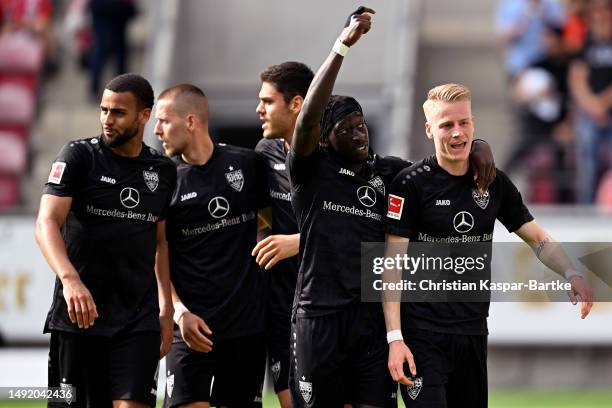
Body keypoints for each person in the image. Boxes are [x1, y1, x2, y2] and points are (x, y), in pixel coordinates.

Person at [287, 8, 497, 408]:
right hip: (320, 315)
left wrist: (479, 146)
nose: (358, 133)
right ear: (326, 140)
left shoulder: (392, 174)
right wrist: (341, 48)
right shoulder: (310, 172)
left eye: (361, 123)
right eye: (345, 129)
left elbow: (443, 162)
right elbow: (306, 120)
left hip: (371, 321)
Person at [382, 82, 594, 408]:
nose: (457, 133)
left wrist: (571, 271)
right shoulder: (410, 184)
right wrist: (395, 338)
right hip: (422, 335)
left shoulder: (493, 182)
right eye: (446, 125)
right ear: (429, 130)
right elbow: (391, 266)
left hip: (472, 334)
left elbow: (537, 237)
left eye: (463, 123)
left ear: (473, 124)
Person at [35, 73, 176, 408]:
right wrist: (70, 280)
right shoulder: (78, 156)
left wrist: (166, 306)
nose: (107, 121)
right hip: (80, 315)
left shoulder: (163, 170)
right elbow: (46, 222)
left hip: (138, 318)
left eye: (118, 112)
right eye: (104, 110)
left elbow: (160, 242)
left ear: (145, 115)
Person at [155, 84, 269, 408]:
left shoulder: (247, 164)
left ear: (190, 121)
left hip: (245, 330)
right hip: (190, 327)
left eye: (164, 120)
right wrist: (178, 313)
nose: (157, 129)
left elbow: (269, 222)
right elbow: (157, 251)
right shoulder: (165, 180)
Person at [252, 61, 313, 408]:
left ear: (296, 104)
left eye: (267, 101)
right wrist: (264, 234)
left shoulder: (334, 155)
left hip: (329, 308)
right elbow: (264, 208)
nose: (259, 109)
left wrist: (298, 243)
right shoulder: (265, 153)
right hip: (280, 308)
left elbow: (360, 229)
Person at [569, 0, 612, 203]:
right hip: (590, 113)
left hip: (608, 110)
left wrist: (603, 104)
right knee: (587, 160)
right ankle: (586, 205)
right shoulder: (587, 40)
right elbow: (577, 76)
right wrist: (592, 105)